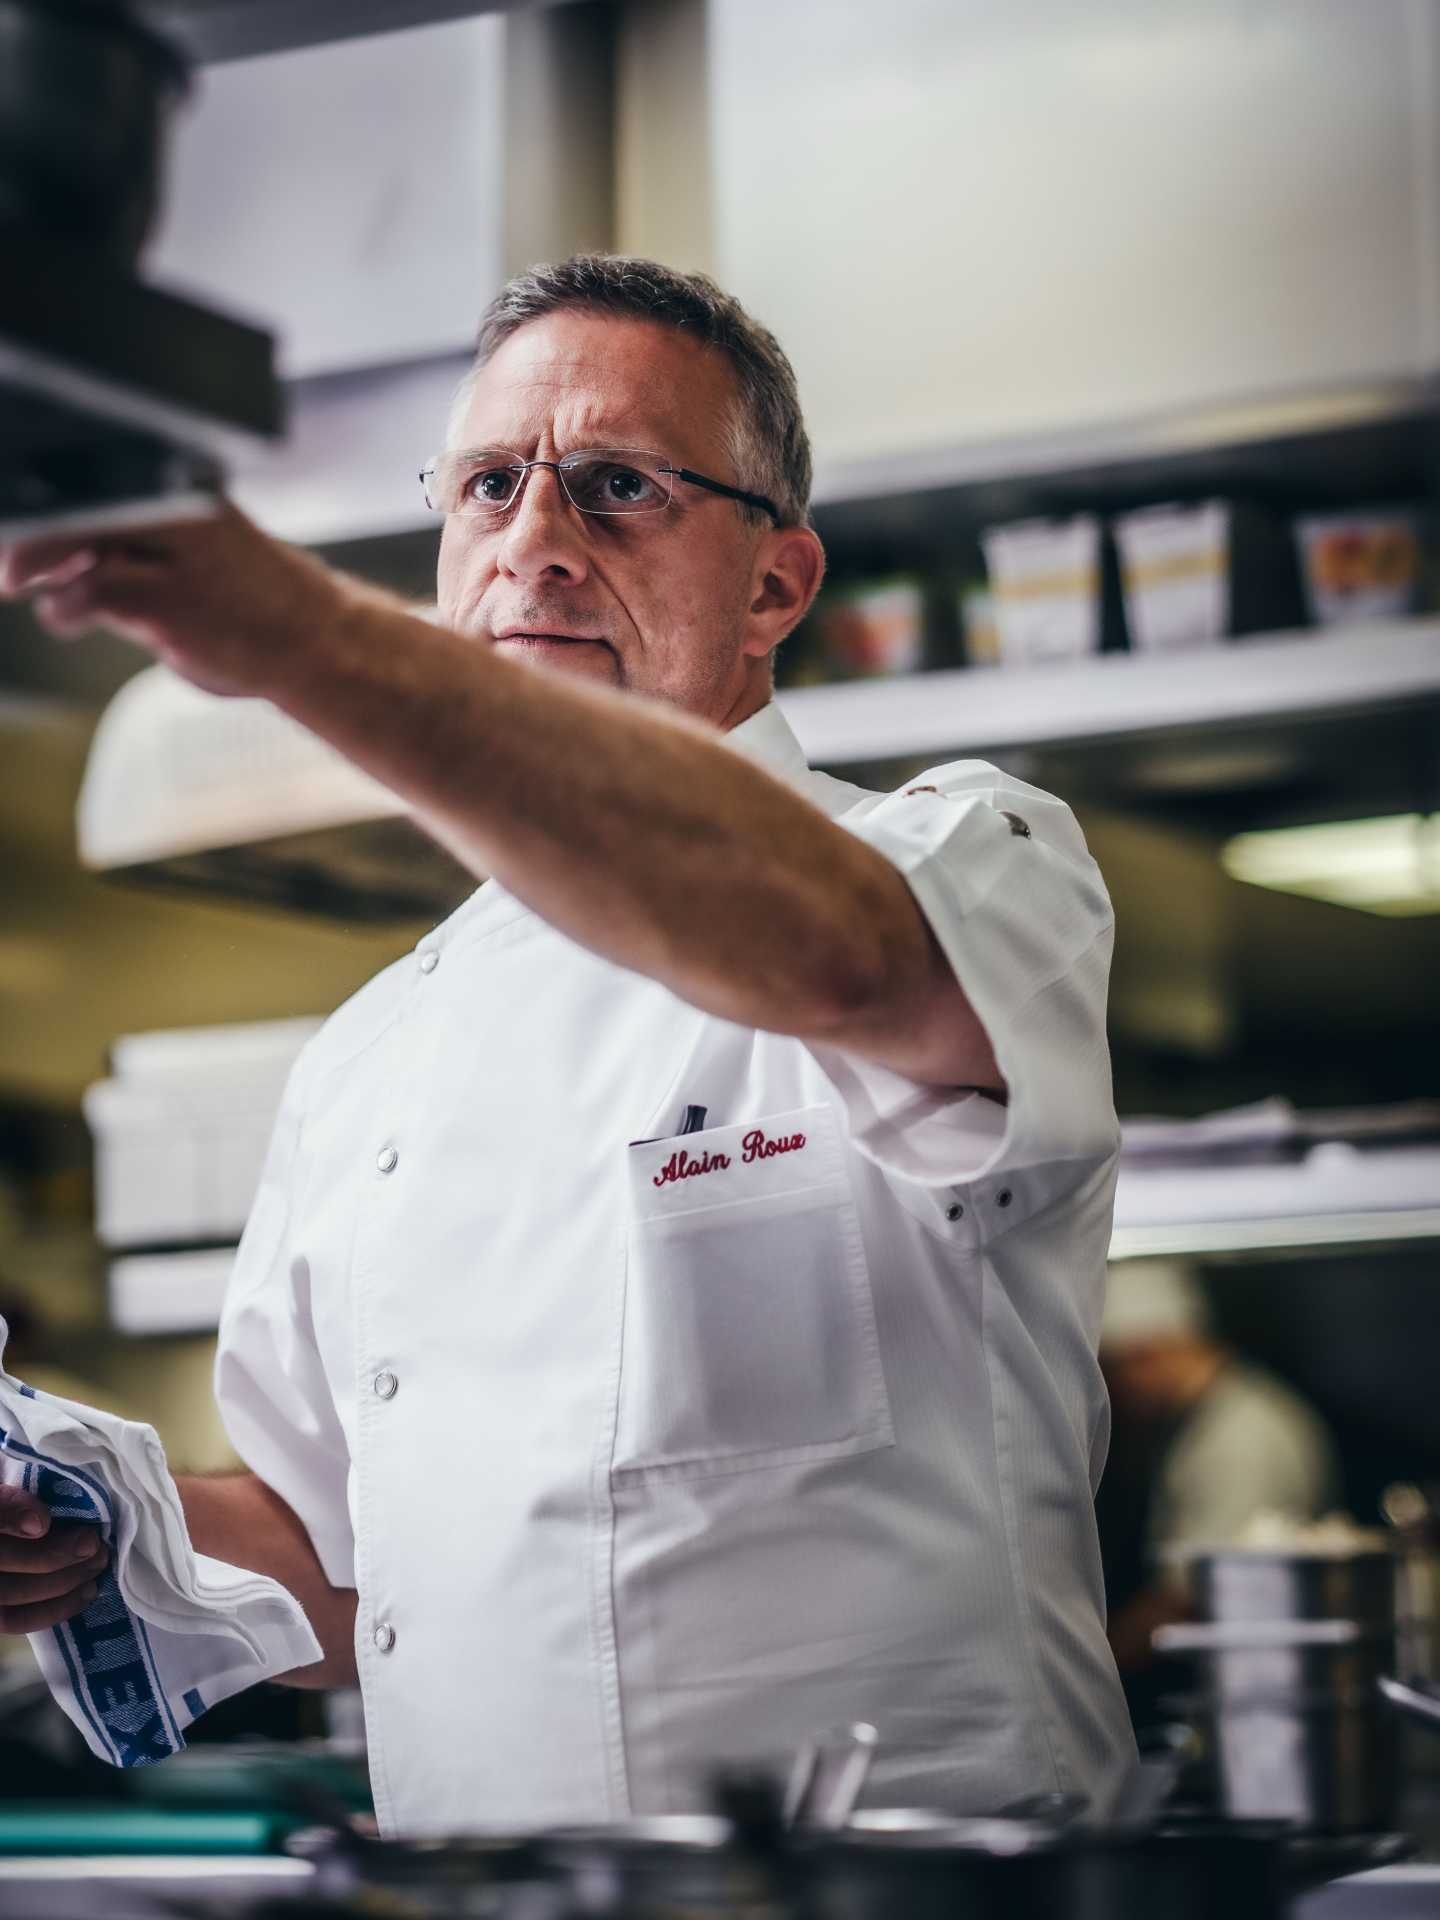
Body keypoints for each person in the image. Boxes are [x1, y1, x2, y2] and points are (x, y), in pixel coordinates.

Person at [0, 256, 1135, 1831]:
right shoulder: (367, 1054)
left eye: (617, 488)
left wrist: (288, 630)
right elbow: (348, 1568)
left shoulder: (969, 860)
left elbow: (829, 947)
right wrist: (82, 1531)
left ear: (775, 586)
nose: (532, 542)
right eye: (487, 486)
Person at [1098, 1257, 1340, 1700]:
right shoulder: (1210, 1420)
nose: (1113, 1393)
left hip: (1264, 1693)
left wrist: (1096, 1668)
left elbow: (1192, 1598)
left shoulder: (1239, 1437)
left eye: (1113, 1372)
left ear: (1148, 1353)